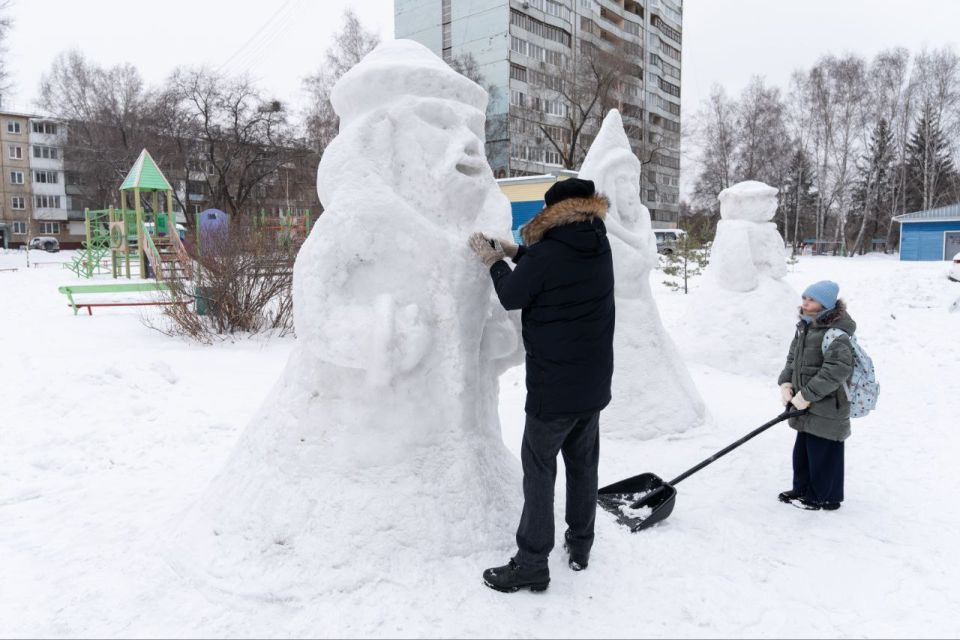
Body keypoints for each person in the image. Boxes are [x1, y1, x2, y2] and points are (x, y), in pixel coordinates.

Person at [468, 177, 615, 593]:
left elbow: (513, 294)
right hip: (593, 384)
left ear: (552, 212)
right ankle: (581, 544)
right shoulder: (598, 242)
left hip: (554, 388)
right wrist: (519, 252)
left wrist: (495, 262)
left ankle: (532, 562)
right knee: (583, 465)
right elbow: (553, 262)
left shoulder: (550, 254)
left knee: (538, 469)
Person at [777, 280, 855, 511]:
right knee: (803, 450)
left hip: (829, 404)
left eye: (811, 299)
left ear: (826, 304)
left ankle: (824, 497)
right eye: (804, 297)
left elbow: (837, 370)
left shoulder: (836, 333)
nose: (805, 302)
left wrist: (807, 395)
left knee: (824, 452)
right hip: (805, 403)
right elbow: (792, 358)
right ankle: (802, 489)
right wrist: (786, 383)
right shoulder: (805, 326)